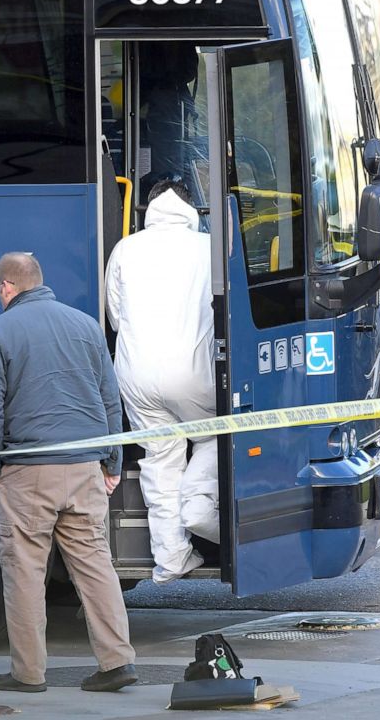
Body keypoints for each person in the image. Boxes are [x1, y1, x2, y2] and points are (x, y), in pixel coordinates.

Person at [0, 252, 138, 695]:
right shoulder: (85, 325)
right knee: (95, 566)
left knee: (25, 571)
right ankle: (117, 661)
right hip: (85, 467)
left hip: (27, 470)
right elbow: (110, 398)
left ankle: (28, 673)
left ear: (6, 287)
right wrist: (112, 460)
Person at [104, 178, 217, 585]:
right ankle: (200, 512)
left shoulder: (125, 249)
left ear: (148, 208)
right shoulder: (208, 249)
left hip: (135, 374)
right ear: (192, 208)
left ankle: (172, 558)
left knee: (160, 459)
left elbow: (115, 317)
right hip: (194, 373)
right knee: (212, 437)